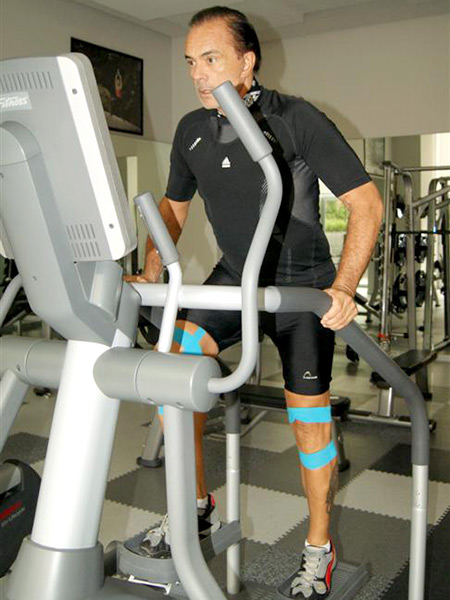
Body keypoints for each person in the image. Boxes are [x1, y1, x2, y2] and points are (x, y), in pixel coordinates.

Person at [126, 6, 383, 599]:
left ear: (247, 62)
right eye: (190, 61)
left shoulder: (296, 119)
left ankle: (319, 547)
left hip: (300, 286)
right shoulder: (192, 129)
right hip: (235, 276)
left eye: (211, 58)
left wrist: (344, 288)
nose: (198, 73)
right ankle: (195, 508)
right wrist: (151, 271)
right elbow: (173, 210)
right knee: (171, 371)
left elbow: (365, 203)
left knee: (309, 423)